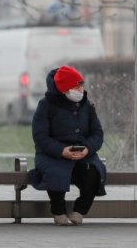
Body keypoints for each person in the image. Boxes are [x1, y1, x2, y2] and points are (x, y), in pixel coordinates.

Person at [28, 65, 106, 226]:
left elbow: (97, 133)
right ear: (64, 89)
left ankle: (80, 211)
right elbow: (40, 136)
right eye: (76, 86)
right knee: (55, 171)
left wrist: (87, 148)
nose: (80, 89)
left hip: (83, 152)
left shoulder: (87, 105)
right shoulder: (45, 105)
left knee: (94, 172)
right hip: (53, 154)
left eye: (81, 85)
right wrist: (61, 150)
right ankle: (58, 211)